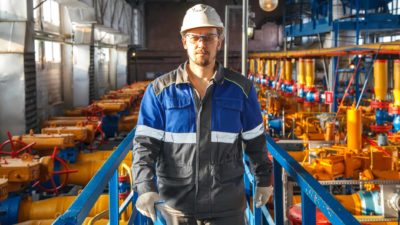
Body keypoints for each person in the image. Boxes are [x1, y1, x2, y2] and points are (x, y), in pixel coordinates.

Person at [132, 4, 273, 225]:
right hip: (176, 207)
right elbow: (145, 145)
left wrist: (264, 179)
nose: (201, 43)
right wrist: (144, 187)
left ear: (220, 41)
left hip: (227, 207)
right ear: (184, 41)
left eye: (209, 37)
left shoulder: (241, 89)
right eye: (194, 37)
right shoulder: (160, 91)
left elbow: (255, 140)